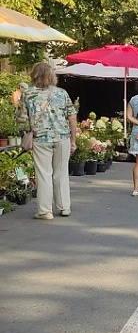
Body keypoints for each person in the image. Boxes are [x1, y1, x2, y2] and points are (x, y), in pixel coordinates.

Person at [16, 63, 77, 219]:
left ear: (34, 75)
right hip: (62, 137)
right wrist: (73, 139)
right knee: (61, 173)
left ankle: (45, 211)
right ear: (52, 75)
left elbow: (20, 120)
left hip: (40, 139)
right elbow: (72, 116)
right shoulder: (62, 93)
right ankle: (64, 207)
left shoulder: (28, 94)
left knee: (43, 174)